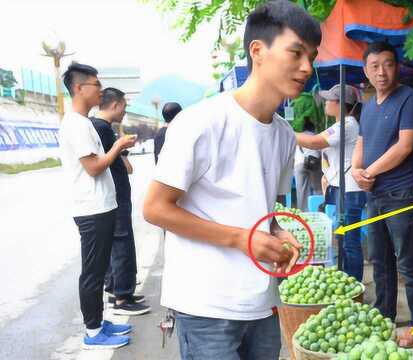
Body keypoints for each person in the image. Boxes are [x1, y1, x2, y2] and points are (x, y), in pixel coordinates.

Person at [142, 1, 321, 359]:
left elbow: (261, 210)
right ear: (258, 51)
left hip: (262, 303)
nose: (307, 67)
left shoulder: (284, 136)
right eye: (296, 52)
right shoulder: (202, 123)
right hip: (207, 307)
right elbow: (155, 208)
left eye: (312, 56)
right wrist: (242, 238)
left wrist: (276, 233)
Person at [352, 41, 413, 348]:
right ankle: (383, 316)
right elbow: (361, 143)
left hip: (403, 193)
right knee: (380, 259)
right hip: (376, 195)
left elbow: (405, 145)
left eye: (387, 64)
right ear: (366, 71)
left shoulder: (410, 98)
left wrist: (369, 173)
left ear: (396, 67)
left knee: (408, 260)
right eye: (374, 66)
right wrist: (356, 171)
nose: (381, 72)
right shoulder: (369, 106)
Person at [58, 63, 136, 349]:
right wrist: (118, 147)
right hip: (91, 210)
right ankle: (92, 332)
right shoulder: (76, 125)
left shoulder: (84, 122)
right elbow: (92, 168)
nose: (100, 90)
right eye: (96, 85)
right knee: (92, 273)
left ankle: (100, 322)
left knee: (100, 268)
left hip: (101, 207)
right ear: (79, 88)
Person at [294, 84, 366, 281]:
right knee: (343, 238)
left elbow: (315, 142)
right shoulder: (340, 124)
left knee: (350, 241)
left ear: (341, 104)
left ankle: (354, 282)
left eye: (329, 100)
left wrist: (286, 134)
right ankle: (347, 278)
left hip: (350, 190)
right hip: (341, 188)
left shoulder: (347, 125)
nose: (325, 103)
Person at [90, 87, 150, 316]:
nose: (125, 111)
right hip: (113, 196)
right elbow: (102, 162)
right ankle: (123, 298)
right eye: (124, 106)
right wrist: (120, 147)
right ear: (114, 105)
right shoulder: (101, 128)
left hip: (116, 194)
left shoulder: (102, 128)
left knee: (117, 242)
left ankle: (119, 290)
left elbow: (121, 163)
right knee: (121, 242)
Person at [293, 117, 322, 211]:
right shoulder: (315, 136)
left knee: (301, 190)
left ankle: (303, 212)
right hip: (314, 163)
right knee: (318, 188)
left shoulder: (299, 136)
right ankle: (318, 209)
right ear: (313, 128)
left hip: (300, 163)